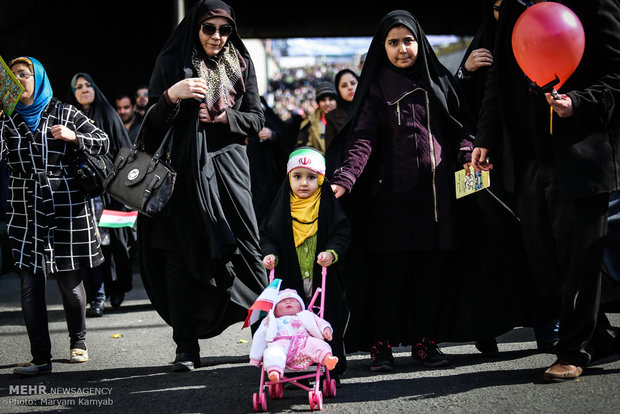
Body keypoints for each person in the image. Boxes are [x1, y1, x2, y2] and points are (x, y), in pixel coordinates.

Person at [329, 10, 531, 372]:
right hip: (391, 205)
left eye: (408, 41)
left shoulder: (438, 81)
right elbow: (362, 140)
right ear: (383, 48)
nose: (402, 49)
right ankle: (381, 347)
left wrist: (469, 155)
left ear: (420, 43)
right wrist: (344, 179)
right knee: (390, 279)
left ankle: (425, 344)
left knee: (430, 277)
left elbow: (461, 131)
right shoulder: (375, 88)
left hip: (439, 204)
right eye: (393, 43)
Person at [472, 0, 620, 381]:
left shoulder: (595, 2)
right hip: (527, 158)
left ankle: (573, 351)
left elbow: (617, 72)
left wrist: (580, 102)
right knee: (543, 263)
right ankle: (599, 338)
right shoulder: (512, 10)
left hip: (580, 155)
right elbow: (498, 81)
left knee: (579, 261)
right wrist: (486, 137)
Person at [143, 0, 268, 372]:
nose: (217, 36)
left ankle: (266, 341)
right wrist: (172, 95)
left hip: (229, 172)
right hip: (182, 175)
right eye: (209, 28)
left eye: (224, 29)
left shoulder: (241, 65)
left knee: (247, 249)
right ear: (195, 28)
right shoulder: (171, 63)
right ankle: (186, 347)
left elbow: (257, 118)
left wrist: (222, 116)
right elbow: (150, 126)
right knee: (180, 258)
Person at [0, 57, 109, 375]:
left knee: (69, 282)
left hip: (66, 208)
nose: (19, 80)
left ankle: (79, 341)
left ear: (40, 78)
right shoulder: (7, 118)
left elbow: (103, 142)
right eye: (14, 76)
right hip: (25, 209)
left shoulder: (64, 112)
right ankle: (40, 358)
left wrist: (75, 137)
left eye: (25, 74)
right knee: (29, 284)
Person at [260, 147, 350, 376]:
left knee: (326, 319)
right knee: (291, 318)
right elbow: (268, 235)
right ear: (288, 177)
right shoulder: (282, 206)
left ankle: (330, 364)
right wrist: (270, 254)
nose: (303, 183)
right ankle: (293, 362)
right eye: (297, 176)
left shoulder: (327, 204)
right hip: (292, 273)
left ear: (320, 179)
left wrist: (332, 252)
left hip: (322, 275)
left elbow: (341, 232)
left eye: (311, 177)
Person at [66, 73, 136, 315]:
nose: (84, 90)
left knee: (117, 244)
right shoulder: (69, 117)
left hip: (111, 191)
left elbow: (124, 151)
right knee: (92, 244)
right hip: (85, 192)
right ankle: (98, 294)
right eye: (78, 86)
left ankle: (117, 287)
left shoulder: (107, 114)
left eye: (88, 85)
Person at [249, 288, 339, 383]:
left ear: (301, 306)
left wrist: (326, 329)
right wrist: (255, 357)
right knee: (272, 352)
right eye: (282, 302)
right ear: (274, 309)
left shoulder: (306, 315)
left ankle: (327, 359)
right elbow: (260, 336)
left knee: (319, 344)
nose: (288, 303)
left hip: (304, 343)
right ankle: (274, 371)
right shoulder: (271, 320)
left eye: (292, 301)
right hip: (281, 344)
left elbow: (319, 322)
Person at [246, 96, 297, 224]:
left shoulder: (262, 106)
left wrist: (272, 135)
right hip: (249, 170)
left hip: (270, 172)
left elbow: (283, 133)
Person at [325, 68, 359, 178]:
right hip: (346, 175)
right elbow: (331, 153)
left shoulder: (372, 108)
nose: (350, 87)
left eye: (353, 83)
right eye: (344, 85)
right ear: (338, 90)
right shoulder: (332, 117)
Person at [296, 82, 337, 153]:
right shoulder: (308, 123)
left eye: (331, 99)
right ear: (318, 103)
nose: (327, 103)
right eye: (323, 100)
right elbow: (301, 149)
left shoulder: (345, 119)